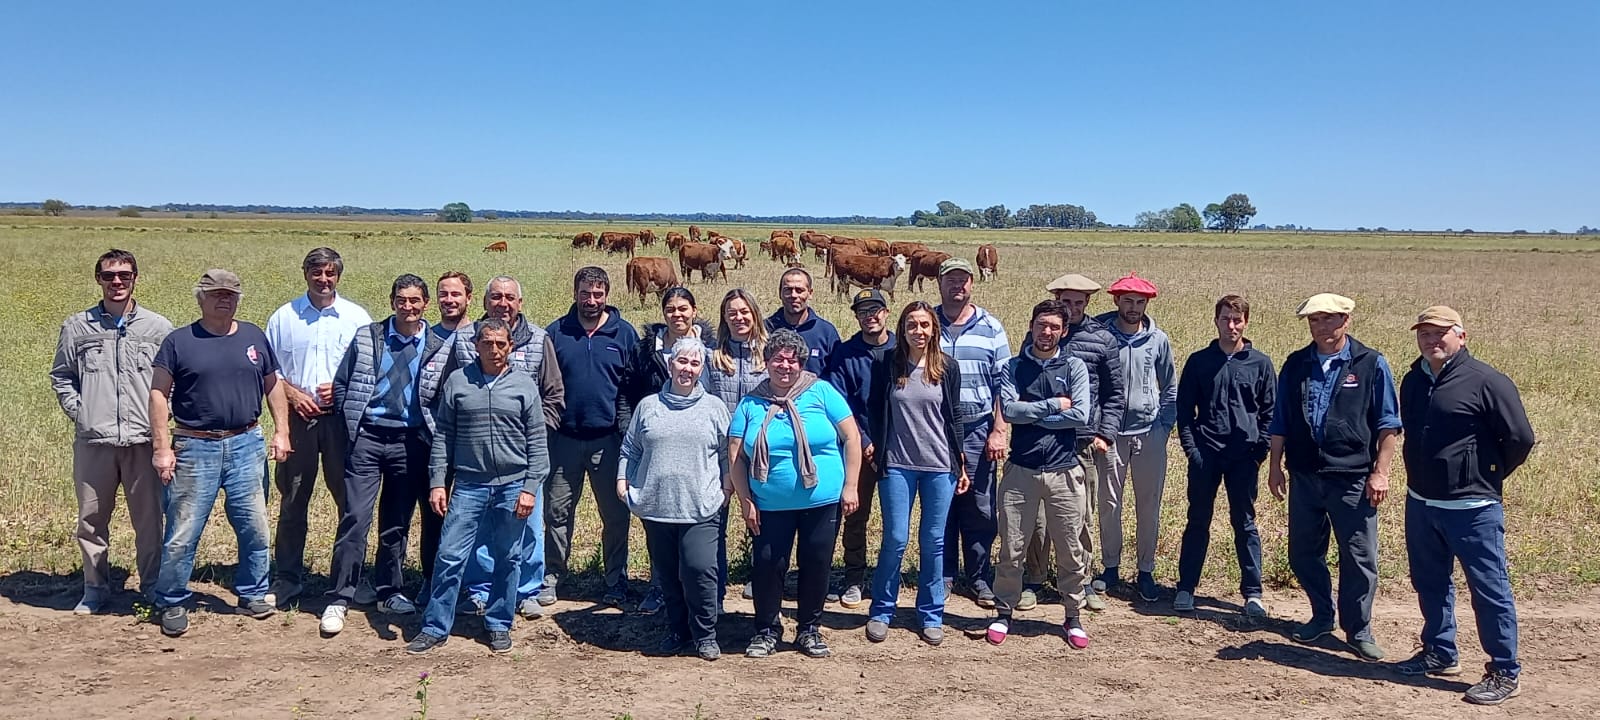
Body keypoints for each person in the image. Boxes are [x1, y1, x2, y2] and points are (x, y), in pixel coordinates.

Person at [1396, 306, 1535, 706]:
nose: (1430, 340)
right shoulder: (1414, 380)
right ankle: (1440, 652)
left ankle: (1505, 671)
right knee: (1430, 582)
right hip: (1422, 501)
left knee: (1489, 589)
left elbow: (1520, 439)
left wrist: (1484, 475)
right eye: (1424, 333)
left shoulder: (1486, 381)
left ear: (1461, 335)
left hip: (1473, 507)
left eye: (1440, 333)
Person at [149, 269, 293, 637]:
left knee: (254, 526)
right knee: (183, 530)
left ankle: (253, 593)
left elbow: (273, 385)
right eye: (215, 294)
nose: (223, 299)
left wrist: (281, 431)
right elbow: (158, 394)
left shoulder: (253, 336)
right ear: (201, 298)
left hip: (246, 443)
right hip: (195, 445)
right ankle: (171, 600)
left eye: (230, 293)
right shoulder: (179, 341)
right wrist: (162, 447)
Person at [1267, 292, 1401, 662]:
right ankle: (1321, 615)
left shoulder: (1371, 363)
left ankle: (1358, 630)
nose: (1322, 327)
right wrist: (1275, 465)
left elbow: (1389, 423)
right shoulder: (1296, 364)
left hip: (1354, 477)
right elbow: (1281, 419)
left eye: (1329, 319)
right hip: (1306, 474)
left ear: (1346, 320)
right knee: (1302, 552)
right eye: (1315, 321)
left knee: (1359, 556)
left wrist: (1381, 472)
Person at [407, 319, 548, 656]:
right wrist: (438, 482)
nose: (494, 349)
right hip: (469, 484)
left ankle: (499, 622)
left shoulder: (523, 384)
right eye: (487, 343)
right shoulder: (458, 382)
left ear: (510, 346)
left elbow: (538, 442)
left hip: (513, 484)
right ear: (476, 344)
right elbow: (443, 437)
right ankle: (435, 625)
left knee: (508, 557)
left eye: (501, 343)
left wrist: (530, 487)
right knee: (450, 554)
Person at [320, 275, 450, 635]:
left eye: (415, 301)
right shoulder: (368, 336)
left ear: (426, 304)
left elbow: (443, 396)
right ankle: (339, 596)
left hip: (410, 442)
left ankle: (389, 589)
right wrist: (353, 424)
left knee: (396, 522)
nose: (408, 307)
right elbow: (342, 383)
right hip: (368, 437)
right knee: (355, 518)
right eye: (401, 300)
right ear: (392, 301)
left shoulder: (439, 345)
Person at [50, 249, 173, 613]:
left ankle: (152, 587)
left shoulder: (157, 327)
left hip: (142, 441)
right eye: (108, 276)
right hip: (95, 443)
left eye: (124, 275)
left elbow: (171, 382)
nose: (116, 282)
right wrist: (81, 412)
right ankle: (95, 589)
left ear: (135, 278)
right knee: (90, 520)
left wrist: (162, 427)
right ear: (98, 279)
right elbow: (61, 377)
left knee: (149, 521)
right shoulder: (77, 326)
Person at [728, 329, 863, 659]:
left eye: (792, 360)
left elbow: (852, 438)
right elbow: (735, 455)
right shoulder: (751, 403)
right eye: (778, 359)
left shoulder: (822, 393)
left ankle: (808, 628)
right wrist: (746, 500)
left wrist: (850, 485)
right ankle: (767, 629)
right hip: (769, 504)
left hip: (822, 501)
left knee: (816, 564)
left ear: (802, 363)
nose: (785, 366)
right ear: (767, 362)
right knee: (768, 565)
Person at [446, 275, 564, 618]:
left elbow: (554, 395)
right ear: (484, 303)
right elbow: (454, 393)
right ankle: (482, 589)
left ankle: (527, 589)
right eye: (496, 296)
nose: (503, 302)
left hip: (524, 458)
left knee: (527, 524)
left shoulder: (540, 340)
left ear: (520, 303)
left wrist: (533, 436)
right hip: (476, 457)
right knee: (481, 528)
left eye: (510, 297)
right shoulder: (466, 341)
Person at [263, 247, 372, 607]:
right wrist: (293, 395)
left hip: (343, 421)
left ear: (338, 276)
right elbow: (270, 372)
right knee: (293, 499)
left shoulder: (356, 318)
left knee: (349, 501)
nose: (323, 280)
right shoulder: (284, 318)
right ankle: (288, 577)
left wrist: (341, 389)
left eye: (330, 273)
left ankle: (351, 579)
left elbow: (369, 371)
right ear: (305, 273)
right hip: (299, 420)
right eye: (316, 272)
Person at [617, 337, 730, 661]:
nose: (688, 369)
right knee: (667, 573)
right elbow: (631, 449)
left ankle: (705, 634)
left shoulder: (714, 409)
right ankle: (677, 630)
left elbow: (726, 454)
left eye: (695, 364)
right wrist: (623, 482)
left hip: (702, 505)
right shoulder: (648, 407)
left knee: (699, 568)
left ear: (702, 369)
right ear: (670, 364)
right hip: (657, 505)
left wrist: (725, 490)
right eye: (682, 362)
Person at [989, 300, 1093, 648]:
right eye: (1041, 325)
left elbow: (1080, 416)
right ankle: (1004, 612)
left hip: (1064, 470)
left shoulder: (1074, 366)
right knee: (1012, 548)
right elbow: (1011, 412)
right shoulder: (1013, 366)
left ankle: (1072, 616)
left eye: (1054, 327)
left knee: (1070, 548)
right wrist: (1053, 406)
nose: (1046, 332)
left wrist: (1032, 413)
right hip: (1021, 469)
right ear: (1031, 325)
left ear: (1063, 331)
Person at [863, 301, 967, 645]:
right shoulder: (887, 364)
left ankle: (930, 613)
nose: (918, 331)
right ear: (903, 328)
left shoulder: (947, 368)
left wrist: (960, 461)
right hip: (897, 465)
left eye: (924, 325)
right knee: (895, 538)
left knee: (933, 542)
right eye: (912, 325)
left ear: (934, 328)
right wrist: (877, 446)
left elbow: (954, 417)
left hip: (939, 466)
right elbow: (875, 408)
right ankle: (881, 610)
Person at [1173, 295, 1276, 616]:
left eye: (1237, 319)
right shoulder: (1200, 361)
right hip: (1206, 455)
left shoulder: (1260, 363)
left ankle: (1253, 592)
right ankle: (1186, 587)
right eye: (1225, 319)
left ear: (1246, 322)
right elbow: (1184, 411)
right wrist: (1193, 450)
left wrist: (1259, 452)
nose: (1231, 325)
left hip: (1244, 457)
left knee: (1244, 522)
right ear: (1215, 320)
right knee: (1198, 520)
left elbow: (1270, 413)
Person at [545, 267, 641, 607]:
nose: (591, 300)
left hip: (609, 440)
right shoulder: (556, 333)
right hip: (564, 439)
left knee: (615, 514)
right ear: (575, 293)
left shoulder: (624, 334)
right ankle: (553, 575)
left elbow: (632, 386)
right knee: (557, 512)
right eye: (585, 293)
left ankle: (616, 578)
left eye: (598, 294)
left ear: (607, 295)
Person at [1029, 273, 1124, 612]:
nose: (1071, 308)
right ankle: (1034, 580)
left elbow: (1114, 395)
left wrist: (1105, 433)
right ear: (1057, 299)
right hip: (1041, 440)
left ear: (1088, 303)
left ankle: (1081, 581)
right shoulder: (1040, 334)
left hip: (1082, 442)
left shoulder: (1102, 339)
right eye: (1066, 302)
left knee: (1079, 516)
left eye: (1078, 303)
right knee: (1037, 517)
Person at [628, 286, 715, 615]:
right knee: (657, 520)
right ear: (663, 313)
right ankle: (659, 587)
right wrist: (634, 434)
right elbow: (629, 390)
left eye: (683, 308)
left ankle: (704, 589)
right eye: (670, 309)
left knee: (701, 521)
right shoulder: (647, 348)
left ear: (694, 310)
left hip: (697, 448)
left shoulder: (711, 347)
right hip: (655, 445)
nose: (677, 314)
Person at [1094, 272, 1177, 603]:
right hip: (1110, 434)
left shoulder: (1158, 339)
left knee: (1148, 504)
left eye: (1139, 302)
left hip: (1149, 433)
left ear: (1147, 303)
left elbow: (1170, 385)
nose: (1133, 307)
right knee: (1108, 503)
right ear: (1116, 301)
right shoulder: (1100, 333)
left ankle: (1146, 570)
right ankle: (1110, 568)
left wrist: (1164, 426)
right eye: (1127, 300)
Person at [933, 257, 1011, 607]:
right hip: (934, 428)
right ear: (939, 284)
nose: (957, 286)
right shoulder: (927, 323)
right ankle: (944, 575)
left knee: (980, 505)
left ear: (972, 284)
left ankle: (979, 576)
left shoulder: (991, 327)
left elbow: (1003, 383)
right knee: (942, 502)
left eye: (963, 280)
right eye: (951, 280)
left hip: (978, 426)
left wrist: (999, 429)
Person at [821, 288, 896, 608]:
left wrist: (887, 444)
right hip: (858, 448)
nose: (871, 316)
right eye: (863, 311)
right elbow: (839, 403)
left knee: (898, 520)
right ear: (856, 316)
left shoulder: (903, 348)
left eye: (875, 309)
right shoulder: (845, 352)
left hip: (899, 449)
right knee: (855, 515)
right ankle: (854, 577)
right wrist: (863, 442)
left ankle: (890, 579)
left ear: (886, 312)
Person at [703, 288, 769, 602]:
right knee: (715, 521)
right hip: (719, 453)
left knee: (763, 520)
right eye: (732, 313)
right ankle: (714, 590)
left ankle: (762, 582)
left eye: (744, 312)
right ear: (724, 319)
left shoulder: (769, 355)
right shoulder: (713, 357)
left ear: (754, 314)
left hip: (762, 452)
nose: (739, 318)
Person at [764, 268, 840, 376]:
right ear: (779, 293)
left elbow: (838, 374)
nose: (794, 295)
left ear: (810, 293)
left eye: (799, 290)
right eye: (788, 290)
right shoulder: (766, 329)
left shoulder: (826, 332)